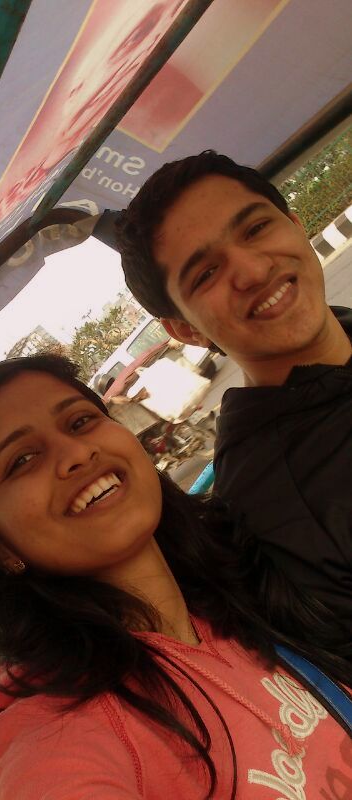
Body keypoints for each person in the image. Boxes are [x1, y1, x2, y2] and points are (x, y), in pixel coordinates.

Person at [0, 353, 350, 800]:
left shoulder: (249, 575)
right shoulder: (55, 729)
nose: (77, 453)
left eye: (80, 421)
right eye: (22, 459)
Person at [116, 149, 352, 628]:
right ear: (185, 329)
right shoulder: (274, 503)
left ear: (295, 225)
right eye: (206, 274)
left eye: (256, 228)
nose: (253, 271)